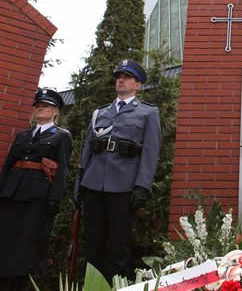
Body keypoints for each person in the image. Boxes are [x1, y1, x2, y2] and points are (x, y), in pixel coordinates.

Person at [75, 59, 162, 281]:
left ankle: (117, 284)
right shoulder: (100, 113)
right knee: (93, 241)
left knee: (120, 242)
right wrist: (79, 184)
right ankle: (93, 284)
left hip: (123, 186)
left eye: (127, 77)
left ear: (137, 85)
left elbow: (150, 152)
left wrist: (142, 185)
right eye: (118, 77)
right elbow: (88, 150)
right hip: (93, 184)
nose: (120, 80)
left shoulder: (147, 113)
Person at [0, 88, 72, 291]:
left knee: (26, 245)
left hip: (37, 197)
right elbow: (8, 165)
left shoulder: (61, 136)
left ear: (55, 111)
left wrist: (54, 199)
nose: (40, 108)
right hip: (11, 194)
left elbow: (63, 170)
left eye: (46, 106)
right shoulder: (23, 135)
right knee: (6, 240)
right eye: (38, 106)